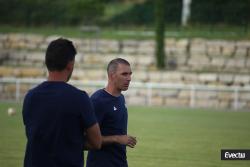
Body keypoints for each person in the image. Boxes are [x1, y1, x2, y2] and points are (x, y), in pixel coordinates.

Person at [22, 38, 101, 167]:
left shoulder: (30, 96)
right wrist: (71, 141)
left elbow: (33, 135)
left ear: (47, 62)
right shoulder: (79, 98)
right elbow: (96, 142)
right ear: (70, 65)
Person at [87, 58, 137, 167]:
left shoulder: (121, 98)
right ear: (111, 75)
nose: (129, 78)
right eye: (124, 74)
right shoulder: (98, 101)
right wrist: (117, 139)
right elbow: (86, 141)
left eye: (130, 74)